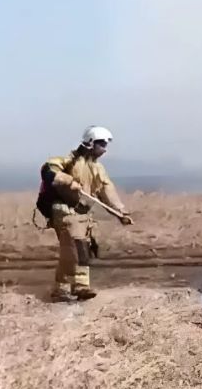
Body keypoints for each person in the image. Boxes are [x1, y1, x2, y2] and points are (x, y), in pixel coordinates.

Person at [39, 125, 133, 302]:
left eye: (106, 145)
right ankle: (72, 287)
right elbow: (48, 171)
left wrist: (120, 211)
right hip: (65, 211)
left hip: (82, 215)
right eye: (102, 144)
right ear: (91, 143)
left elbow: (107, 190)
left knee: (79, 250)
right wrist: (67, 180)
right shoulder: (69, 160)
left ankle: (70, 287)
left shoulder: (98, 168)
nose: (105, 149)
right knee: (74, 249)